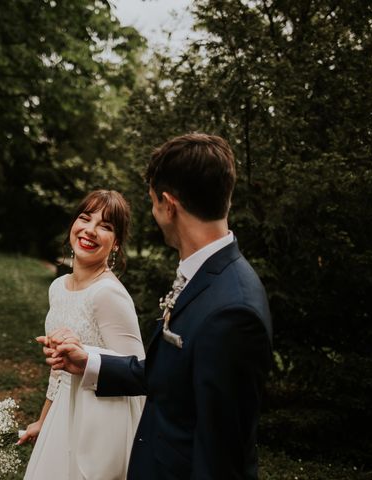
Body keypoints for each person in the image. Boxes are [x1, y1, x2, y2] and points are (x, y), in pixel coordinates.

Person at [42, 133, 273, 479]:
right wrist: (88, 361)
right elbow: (165, 373)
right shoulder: (202, 274)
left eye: (152, 202)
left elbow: (221, 457)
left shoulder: (233, 310)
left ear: (168, 205)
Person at [19, 190, 146, 480]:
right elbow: (59, 372)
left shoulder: (108, 295)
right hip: (63, 415)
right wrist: (43, 421)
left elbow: (138, 371)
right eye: (85, 218)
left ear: (116, 244)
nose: (90, 230)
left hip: (99, 423)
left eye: (106, 226)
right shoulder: (58, 287)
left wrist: (87, 356)